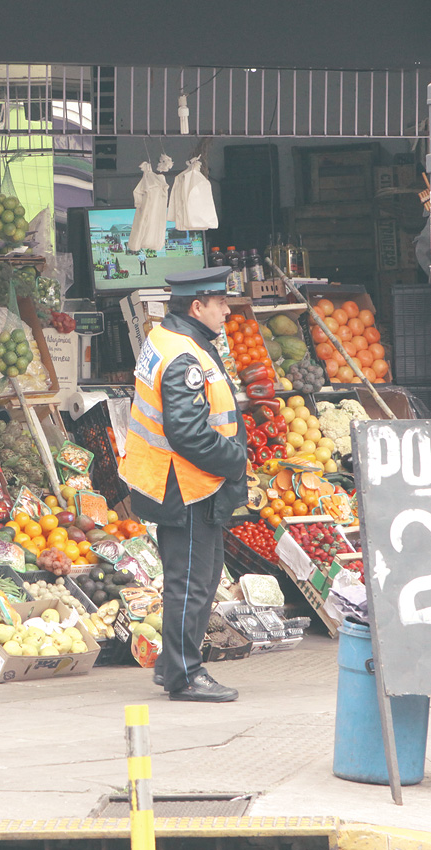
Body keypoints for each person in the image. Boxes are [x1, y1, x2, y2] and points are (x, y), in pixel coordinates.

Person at [119, 267, 248, 703]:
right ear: (198, 307)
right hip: (186, 485)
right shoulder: (183, 357)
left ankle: (174, 664)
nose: (227, 311)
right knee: (191, 582)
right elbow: (188, 433)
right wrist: (236, 460)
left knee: (199, 578)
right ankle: (185, 676)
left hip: (178, 481)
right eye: (221, 303)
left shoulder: (168, 339)